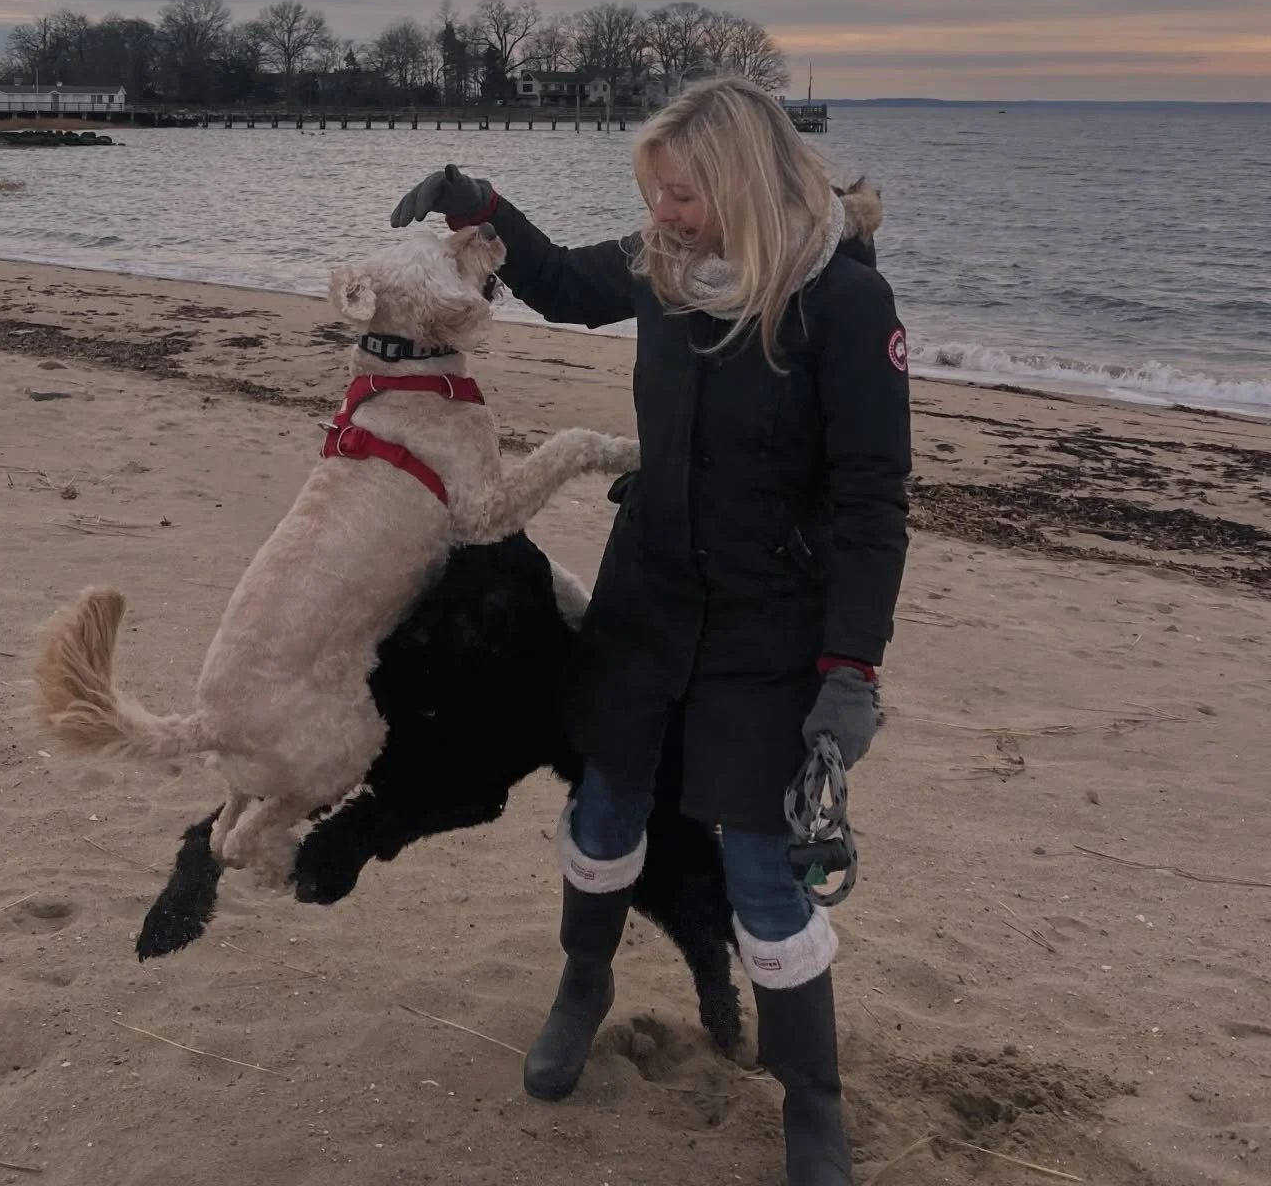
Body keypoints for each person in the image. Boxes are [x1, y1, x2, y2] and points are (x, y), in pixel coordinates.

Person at [390, 77, 910, 1185]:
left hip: (774, 626)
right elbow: (573, 288)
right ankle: (585, 986)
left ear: (744, 183)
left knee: (768, 873)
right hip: (650, 598)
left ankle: (810, 1098)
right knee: (605, 807)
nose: (663, 216)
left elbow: (873, 500)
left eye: (681, 195)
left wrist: (850, 669)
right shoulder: (665, 270)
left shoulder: (851, 305)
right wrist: (481, 204)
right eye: (655, 196)